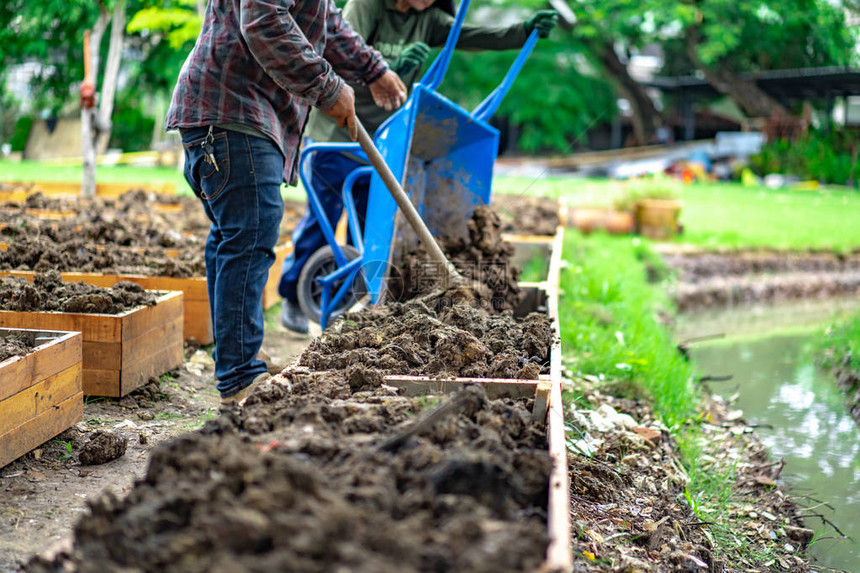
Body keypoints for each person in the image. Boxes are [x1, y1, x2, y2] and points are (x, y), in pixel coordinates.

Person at [165, 0, 407, 405]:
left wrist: (373, 70)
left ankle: (237, 364)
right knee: (249, 236)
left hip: (231, 114)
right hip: (233, 111)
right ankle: (240, 376)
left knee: (235, 238)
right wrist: (328, 88)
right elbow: (263, 20)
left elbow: (324, 20)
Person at [277, 0, 558, 334]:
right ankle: (293, 297)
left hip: (384, 141)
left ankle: (348, 302)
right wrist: (387, 66)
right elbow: (337, 54)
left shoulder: (430, 19)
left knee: (369, 228)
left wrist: (523, 31)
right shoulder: (368, 7)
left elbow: (472, 35)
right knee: (323, 215)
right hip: (335, 130)